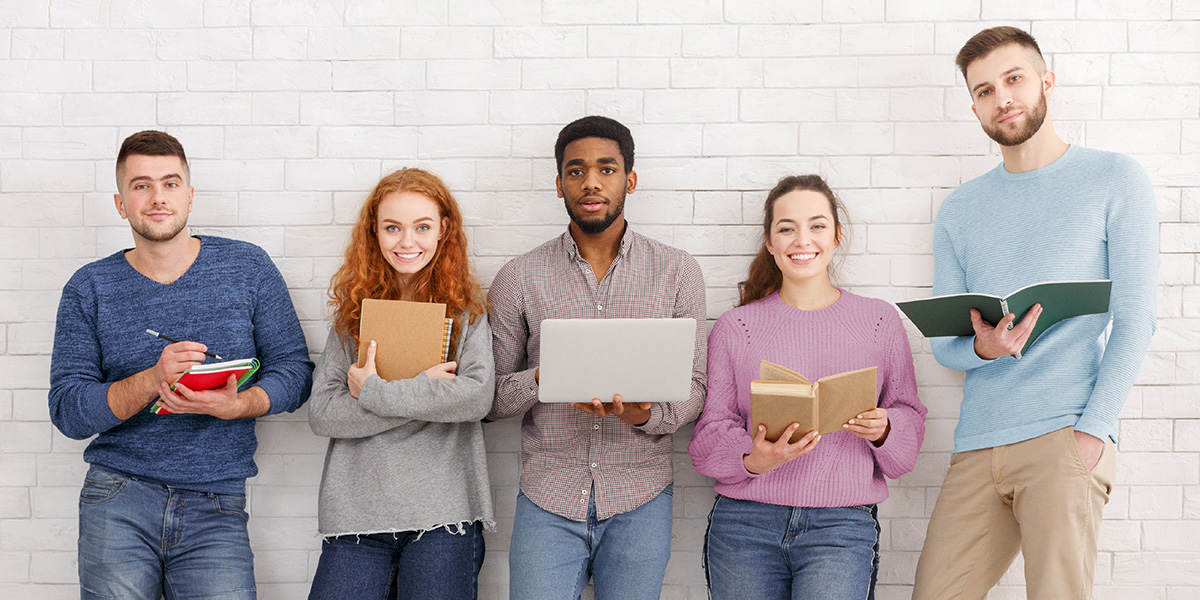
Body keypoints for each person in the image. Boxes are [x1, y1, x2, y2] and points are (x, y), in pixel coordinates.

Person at [912, 27, 1158, 599]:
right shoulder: (959, 209)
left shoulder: (1114, 177)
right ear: (973, 105)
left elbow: (1138, 316)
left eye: (1013, 78)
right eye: (983, 90)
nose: (1002, 98)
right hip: (978, 441)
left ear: (1046, 81)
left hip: (1065, 434)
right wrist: (984, 347)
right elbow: (947, 343)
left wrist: (1093, 431)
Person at [48, 130, 314, 599]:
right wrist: (153, 378)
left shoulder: (248, 268)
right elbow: (69, 411)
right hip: (117, 497)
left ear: (189, 196)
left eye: (170, 184)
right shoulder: (88, 287)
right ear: (120, 202)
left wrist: (239, 405)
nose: (157, 197)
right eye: (141, 185)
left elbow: (294, 371)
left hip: (217, 502)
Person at [486, 115, 707, 600]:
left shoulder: (677, 272)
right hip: (548, 495)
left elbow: (695, 389)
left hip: (641, 496)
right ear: (559, 182)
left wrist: (640, 413)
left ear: (629, 179)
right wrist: (549, 377)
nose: (590, 182)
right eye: (575, 170)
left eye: (606, 169)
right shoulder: (518, 277)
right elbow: (488, 401)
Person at [688, 175, 927, 600]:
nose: (803, 239)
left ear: (836, 235)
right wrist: (752, 458)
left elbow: (906, 438)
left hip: (841, 526)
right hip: (745, 524)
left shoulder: (878, 321)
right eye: (787, 228)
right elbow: (707, 439)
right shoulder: (735, 327)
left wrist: (885, 428)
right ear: (770, 242)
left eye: (817, 225)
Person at [306, 168, 494, 600]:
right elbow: (323, 413)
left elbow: (475, 398)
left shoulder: (467, 312)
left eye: (422, 227)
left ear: (444, 229)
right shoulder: (352, 315)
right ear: (374, 230)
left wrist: (374, 392)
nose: (407, 242)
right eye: (393, 228)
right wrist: (428, 393)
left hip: (443, 515)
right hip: (357, 517)